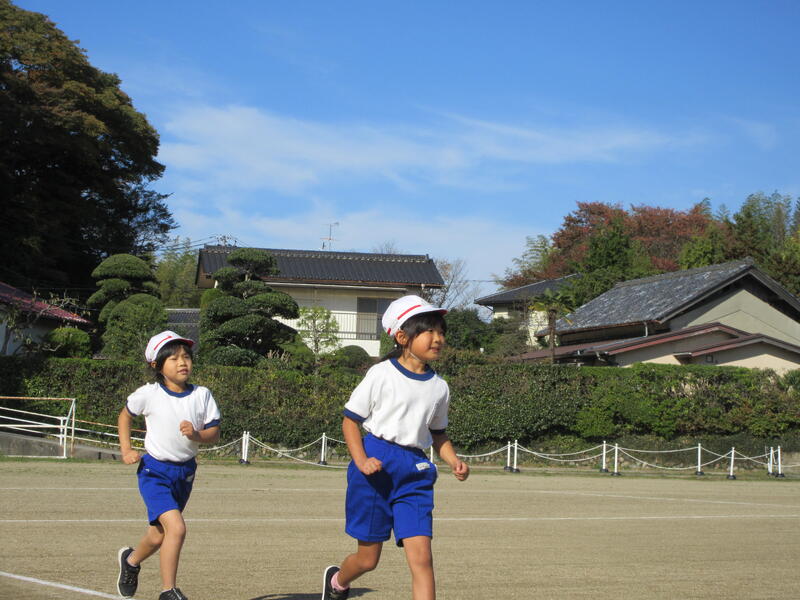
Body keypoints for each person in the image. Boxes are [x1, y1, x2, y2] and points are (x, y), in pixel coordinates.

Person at [322, 295, 469, 600]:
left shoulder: (440, 387)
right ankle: (337, 582)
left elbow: (438, 434)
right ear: (402, 337)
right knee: (368, 560)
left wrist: (454, 460)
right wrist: (362, 461)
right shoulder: (381, 374)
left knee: (422, 559)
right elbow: (350, 421)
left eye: (441, 332)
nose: (438, 338)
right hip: (374, 468)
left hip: (415, 472)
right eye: (429, 331)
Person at [116, 331, 221, 600]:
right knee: (177, 528)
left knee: (158, 535)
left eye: (186, 357)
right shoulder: (148, 394)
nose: (182, 362)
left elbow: (214, 433)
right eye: (173, 358)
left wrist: (197, 435)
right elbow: (125, 416)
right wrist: (126, 450)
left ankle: (130, 562)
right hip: (154, 471)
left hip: (185, 473)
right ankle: (168, 591)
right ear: (156, 365)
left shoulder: (202, 395)